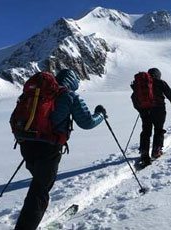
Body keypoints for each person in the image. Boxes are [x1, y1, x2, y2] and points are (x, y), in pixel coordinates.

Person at [14, 69, 107, 230]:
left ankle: (29, 221)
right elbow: (87, 123)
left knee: (38, 185)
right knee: (39, 192)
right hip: (49, 148)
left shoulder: (37, 93)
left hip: (26, 144)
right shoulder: (69, 95)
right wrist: (101, 115)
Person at [131, 67, 171, 167]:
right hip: (159, 109)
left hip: (144, 110)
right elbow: (170, 93)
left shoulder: (140, 84)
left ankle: (144, 152)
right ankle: (156, 150)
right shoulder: (160, 82)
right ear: (158, 75)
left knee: (146, 131)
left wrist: (140, 109)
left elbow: (134, 97)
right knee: (158, 129)